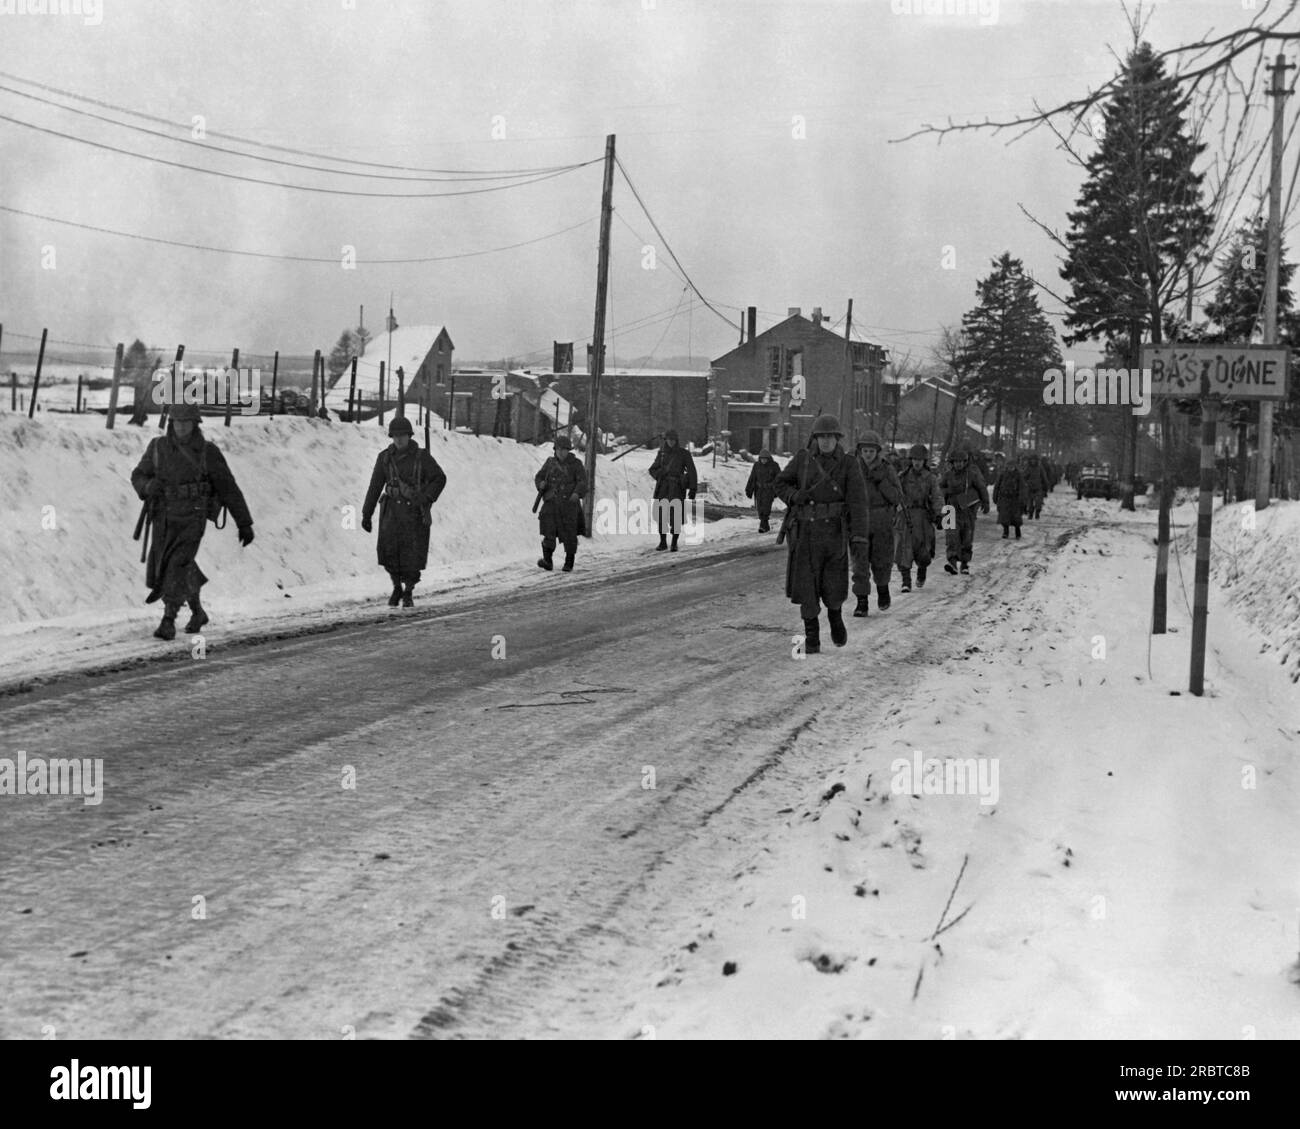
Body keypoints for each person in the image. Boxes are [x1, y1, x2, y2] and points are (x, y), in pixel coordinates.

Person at [130, 401, 254, 640]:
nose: (182, 427)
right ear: (171, 423)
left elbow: (228, 487)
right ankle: (198, 612)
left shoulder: (208, 452)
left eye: (187, 422)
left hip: (192, 518)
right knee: (169, 565)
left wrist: (244, 522)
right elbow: (138, 474)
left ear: (195, 425)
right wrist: (147, 485)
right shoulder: (157, 447)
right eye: (177, 422)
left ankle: (168, 620)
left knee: (176, 564)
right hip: (163, 517)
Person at [773, 415, 869, 653]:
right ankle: (812, 637)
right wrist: (795, 496)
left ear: (838, 439)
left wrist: (858, 536)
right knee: (806, 587)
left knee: (834, 585)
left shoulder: (848, 463)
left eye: (831, 437)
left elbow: (858, 502)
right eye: (821, 437)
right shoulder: (803, 460)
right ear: (815, 438)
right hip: (805, 534)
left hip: (834, 533)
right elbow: (780, 483)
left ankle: (835, 618)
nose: (826, 442)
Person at [361, 415, 448, 605]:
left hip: (413, 513)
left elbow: (439, 478)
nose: (399, 439)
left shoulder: (422, 457)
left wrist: (426, 498)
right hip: (390, 512)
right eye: (395, 436)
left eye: (403, 435)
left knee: (412, 555)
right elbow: (375, 486)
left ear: (409, 436)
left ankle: (408, 590)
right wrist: (366, 514)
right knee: (389, 554)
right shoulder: (384, 458)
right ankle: (396, 588)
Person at [850, 431, 901, 616]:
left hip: (881, 522)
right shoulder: (853, 469)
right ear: (860, 451)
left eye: (871, 450)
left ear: (878, 452)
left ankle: (882, 590)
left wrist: (883, 483)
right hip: (859, 522)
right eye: (865, 450)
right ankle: (862, 602)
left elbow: (897, 497)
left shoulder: (887, 470)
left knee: (881, 561)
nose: (868, 454)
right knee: (859, 565)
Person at [533, 433, 587, 572]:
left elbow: (583, 482)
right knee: (548, 532)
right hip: (551, 504)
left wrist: (576, 493)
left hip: (569, 505)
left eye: (563, 449)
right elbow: (539, 477)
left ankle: (568, 563)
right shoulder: (550, 463)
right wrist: (541, 484)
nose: (560, 452)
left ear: (568, 450)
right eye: (557, 449)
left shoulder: (576, 464)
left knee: (570, 534)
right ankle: (548, 561)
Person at [895, 443, 944, 591]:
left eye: (920, 460)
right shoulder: (902, 477)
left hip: (923, 516)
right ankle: (906, 581)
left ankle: (922, 571)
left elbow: (937, 496)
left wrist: (940, 515)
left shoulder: (930, 478)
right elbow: (895, 495)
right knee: (904, 548)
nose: (917, 462)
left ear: (924, 461)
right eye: (914, 459)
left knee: (924, 549)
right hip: (906, 515)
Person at [938, 445, 989, 575]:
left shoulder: (971, 474)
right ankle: (953, 562)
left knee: (967, 536)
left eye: (961, 462)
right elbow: (939, 489)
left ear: (965, 462)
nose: (959, 464)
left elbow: (981, 487)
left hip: (967, 509)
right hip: (950, 508)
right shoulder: (948, 475)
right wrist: (947, 492)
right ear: (952, 463)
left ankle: (965, 563)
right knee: (951, 536)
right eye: (956, 462)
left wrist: (985, 502)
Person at [648, 429, 698, 551]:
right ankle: (663, 542)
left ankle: (674, 543)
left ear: (677, 441)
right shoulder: (662, 454)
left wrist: (692, 488)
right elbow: (652, 469)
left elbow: (692, 471)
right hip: (663, 488)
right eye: (669, 440)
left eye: (673, 440)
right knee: (661, 516)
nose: (671, 442)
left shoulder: (684, 454)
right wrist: (661, 473)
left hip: (677, 488)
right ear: (666, 441)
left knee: (676, 516)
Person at [745, 448, 781, 533]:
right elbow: (752, 478)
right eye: (762, 459)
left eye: (765, 459)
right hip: (759, 490)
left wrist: (777, 489)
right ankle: (766, 526)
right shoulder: (756, 466)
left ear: (768, 459)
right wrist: (749, 489)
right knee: (760, 509)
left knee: (766, 508)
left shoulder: (774, 465)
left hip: (769, 491)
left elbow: (779, 478)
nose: (763, 460)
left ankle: (763, 526)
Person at [992, 451, 1025, 539]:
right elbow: (997, 486)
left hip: (1015, 499)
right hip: (1004, 498)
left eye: (1012, 466)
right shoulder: (1002, 474)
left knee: (1016, 517)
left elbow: (1022, 487)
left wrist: (1022, 499)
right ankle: (1005, 532)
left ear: (1014, 466)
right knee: (1004, 517)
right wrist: (995, 497)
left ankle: (1018, 532)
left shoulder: (1018, 475)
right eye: (1009, 466)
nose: (1010, 468)